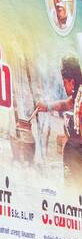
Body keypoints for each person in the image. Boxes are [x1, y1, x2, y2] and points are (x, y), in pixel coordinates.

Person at [33, 56, 82, 186]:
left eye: (64, 82)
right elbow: (65, 105)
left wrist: (69, 135)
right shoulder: (78, 93)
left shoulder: (80, 100)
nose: (63, 86)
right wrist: (47, 106)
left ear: (71, 81)